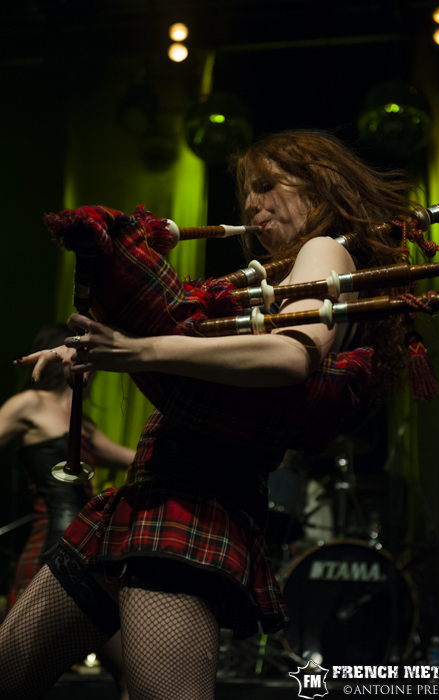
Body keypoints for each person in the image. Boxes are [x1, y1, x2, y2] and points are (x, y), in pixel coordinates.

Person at [0, 130, 416, 700]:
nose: (252, 205)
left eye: (266, 186)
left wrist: (139, 350)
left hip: (191, 510)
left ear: (319, 187)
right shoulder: (283, 274)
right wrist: (103, 346)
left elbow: (292, 354)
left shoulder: (325, 249)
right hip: (147, 501)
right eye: (248, 194)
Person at [0, 323, 134, 700]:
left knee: (133, 674)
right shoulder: (29, 403)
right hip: (49, 549)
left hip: (89, 552)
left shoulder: (84, 425)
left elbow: (135, 459)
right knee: (16, 676)